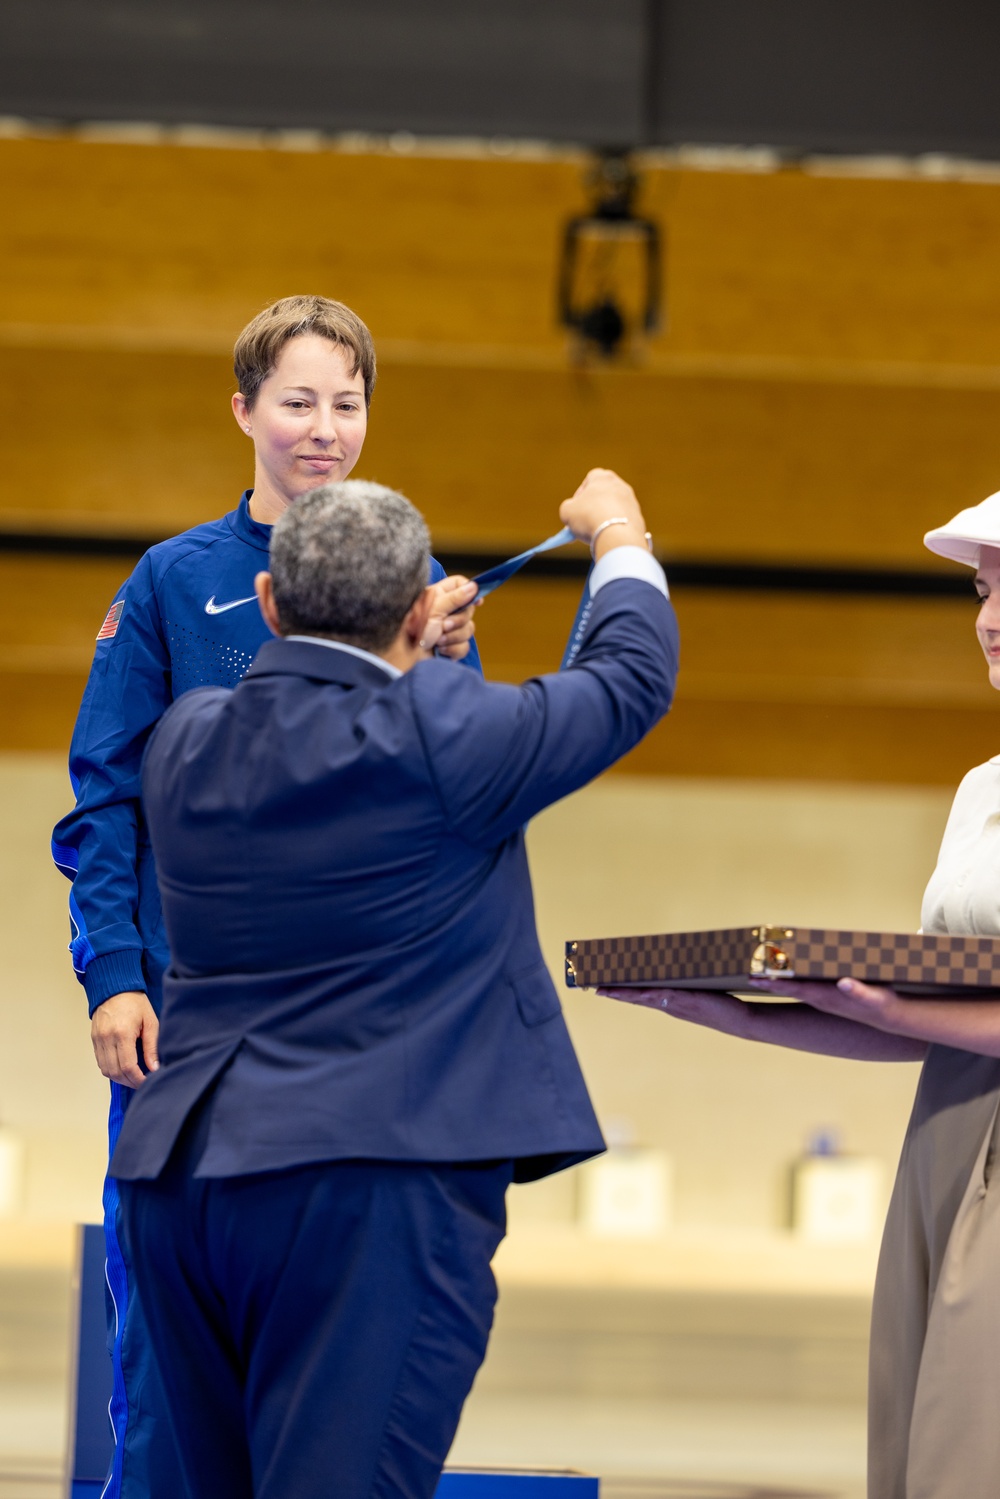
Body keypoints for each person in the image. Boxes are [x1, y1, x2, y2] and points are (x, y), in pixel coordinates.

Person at [110, 469, 677, 1499]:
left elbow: (305, 717)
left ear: (273, 603)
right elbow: (628, 674)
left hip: (183, 1180)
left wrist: (414, 655)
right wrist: (618, 534)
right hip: (366, 1183)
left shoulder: (187, 738)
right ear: (421, 609)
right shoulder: (450, 735)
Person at [51, 295, 479, 1499]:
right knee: (171, 1366)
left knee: (346, 1363)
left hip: (358, 1045)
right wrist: (117, 973)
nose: (324, 428)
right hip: (188, 1034)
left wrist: (440, 674)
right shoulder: (173, 583)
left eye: (346, 403)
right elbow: (105, 801)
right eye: (297, 400)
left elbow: (458, 802)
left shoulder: (425, 593)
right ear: (242, 410)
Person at [604, 490, 1000, 1499]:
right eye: (981, 588)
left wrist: (885, 1004)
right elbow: (947, 1029)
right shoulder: (979, 789)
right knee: (916, 1449)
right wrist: (735, 1011)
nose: (987, 618)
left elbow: (914, 1009)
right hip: (946, 1141)